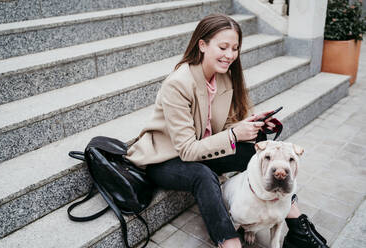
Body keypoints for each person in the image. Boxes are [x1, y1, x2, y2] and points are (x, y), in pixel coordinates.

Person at [125, 14, 328, 248]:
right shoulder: (178, 84)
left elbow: (214, 130)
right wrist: (233, 135)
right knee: (203, 176)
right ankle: (229, 242)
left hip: (201, 151)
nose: (230, 55)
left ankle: (297, 226)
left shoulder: (223, 77)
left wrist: (249, 125)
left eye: (235, 48)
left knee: (257, 145)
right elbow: (188, 150)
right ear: (202, 45)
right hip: (165, 160)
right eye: (223, 47)